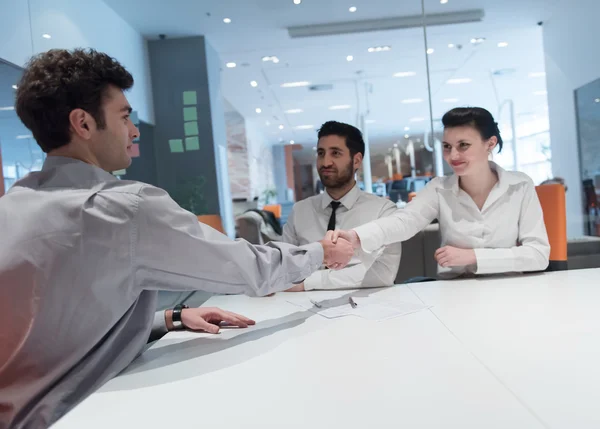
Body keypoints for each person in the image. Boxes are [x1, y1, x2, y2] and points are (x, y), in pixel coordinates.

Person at [0, 49, 353, 428]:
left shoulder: (13, 206)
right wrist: (320, 251)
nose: (134, 130)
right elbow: (250, 269)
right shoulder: (122, 208)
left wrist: (169, 318)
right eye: (124, 117)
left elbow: (52, 331)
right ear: (83, 123)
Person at [333, 107, 550, 278]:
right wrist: (357, 236)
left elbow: (538, 255)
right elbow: (404, 221)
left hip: (512, 289)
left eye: (463, 145)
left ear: (490, 143)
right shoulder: (439, 188)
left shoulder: (520, 186)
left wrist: (472, 256)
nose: (452, 155)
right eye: (447, 146)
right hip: (457, 291)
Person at [282, 121, 401, 291]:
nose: (325, 162)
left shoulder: (383, 211)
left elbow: (382, 273)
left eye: (335, 153)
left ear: (357, 160)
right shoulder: (299, 211)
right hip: (302, 308)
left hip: (366, 307)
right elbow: (284, 267)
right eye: (321, 153)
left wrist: (306, 283)